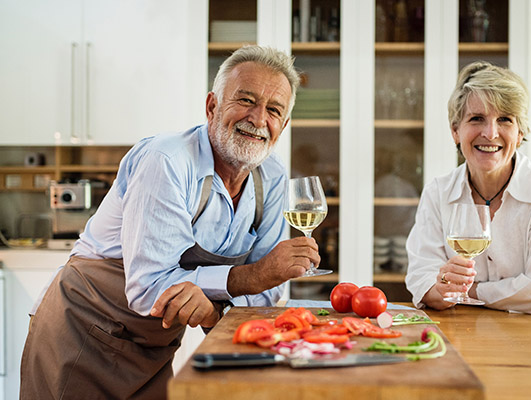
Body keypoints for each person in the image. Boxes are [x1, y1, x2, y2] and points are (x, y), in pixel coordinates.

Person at [20, 45, 319, 399]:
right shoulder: (168, 161)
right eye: (246, 100)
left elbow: (267, 294)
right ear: (212, 107)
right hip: (83, 330)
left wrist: (214, 312)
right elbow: (150, 286)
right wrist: (250, 277)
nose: (257, 119)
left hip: (155, 345)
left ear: (282, 126)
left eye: (273, 110)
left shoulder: (271, 177)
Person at [405, 61, 531, 315]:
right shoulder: (438, 192)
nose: (490, 133)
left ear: (520, 133)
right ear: (456, 130)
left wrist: (466, 291)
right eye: (477, 118)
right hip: (462, 333)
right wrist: (442, 289)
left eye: (504, 120)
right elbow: (421, 279)